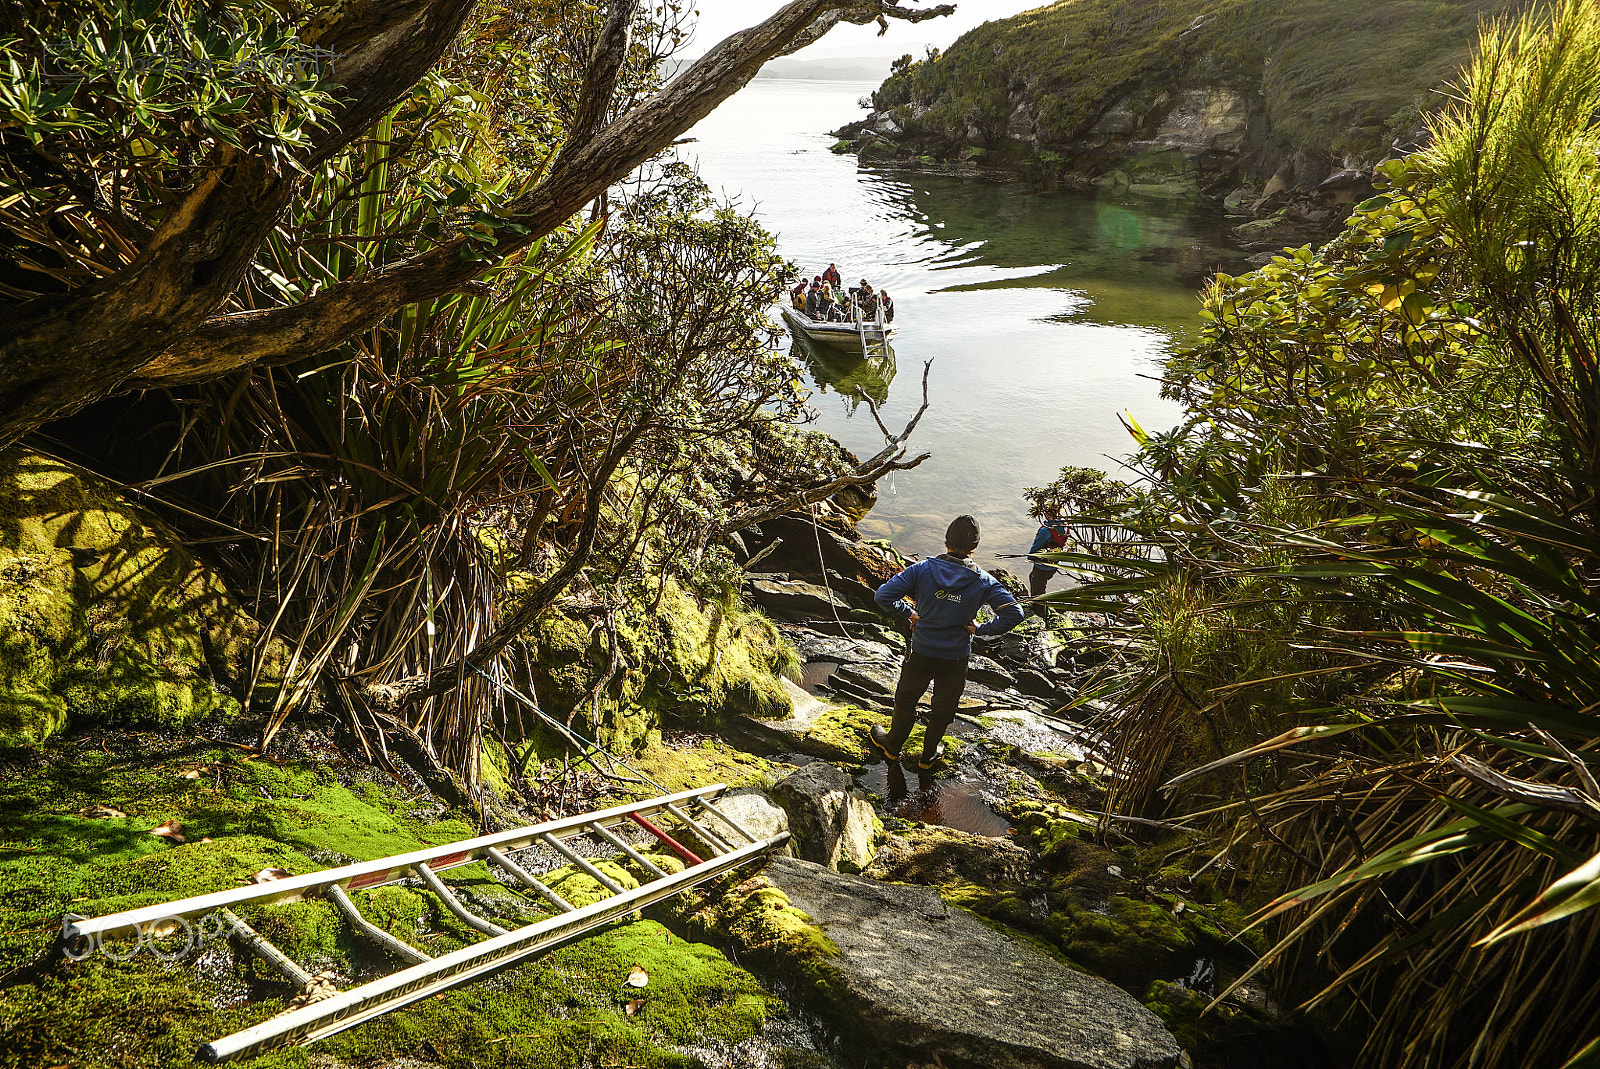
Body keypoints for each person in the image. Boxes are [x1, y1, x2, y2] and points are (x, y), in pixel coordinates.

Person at [870, 515, 1025, 770]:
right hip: (955, 657)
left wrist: (909, 613)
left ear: (946, 541)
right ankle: (929, 755)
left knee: (907, 698)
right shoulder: (984, 581)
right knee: (944, 705)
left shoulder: (922, 569)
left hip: (921, 650)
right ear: (974, 548)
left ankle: (893, 744)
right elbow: (1014, 613)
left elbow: (883, 596)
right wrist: (981, 629)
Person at [1027, 515, 1072, 599]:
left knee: (1037, 590)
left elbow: (1036, 547)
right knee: (1037, 581)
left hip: (1042, 565)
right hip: (1055, 563)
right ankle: (1042, 606)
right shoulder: (1065, 526)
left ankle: (1039, 610)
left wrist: (1030, 557)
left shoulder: (1046, 531)